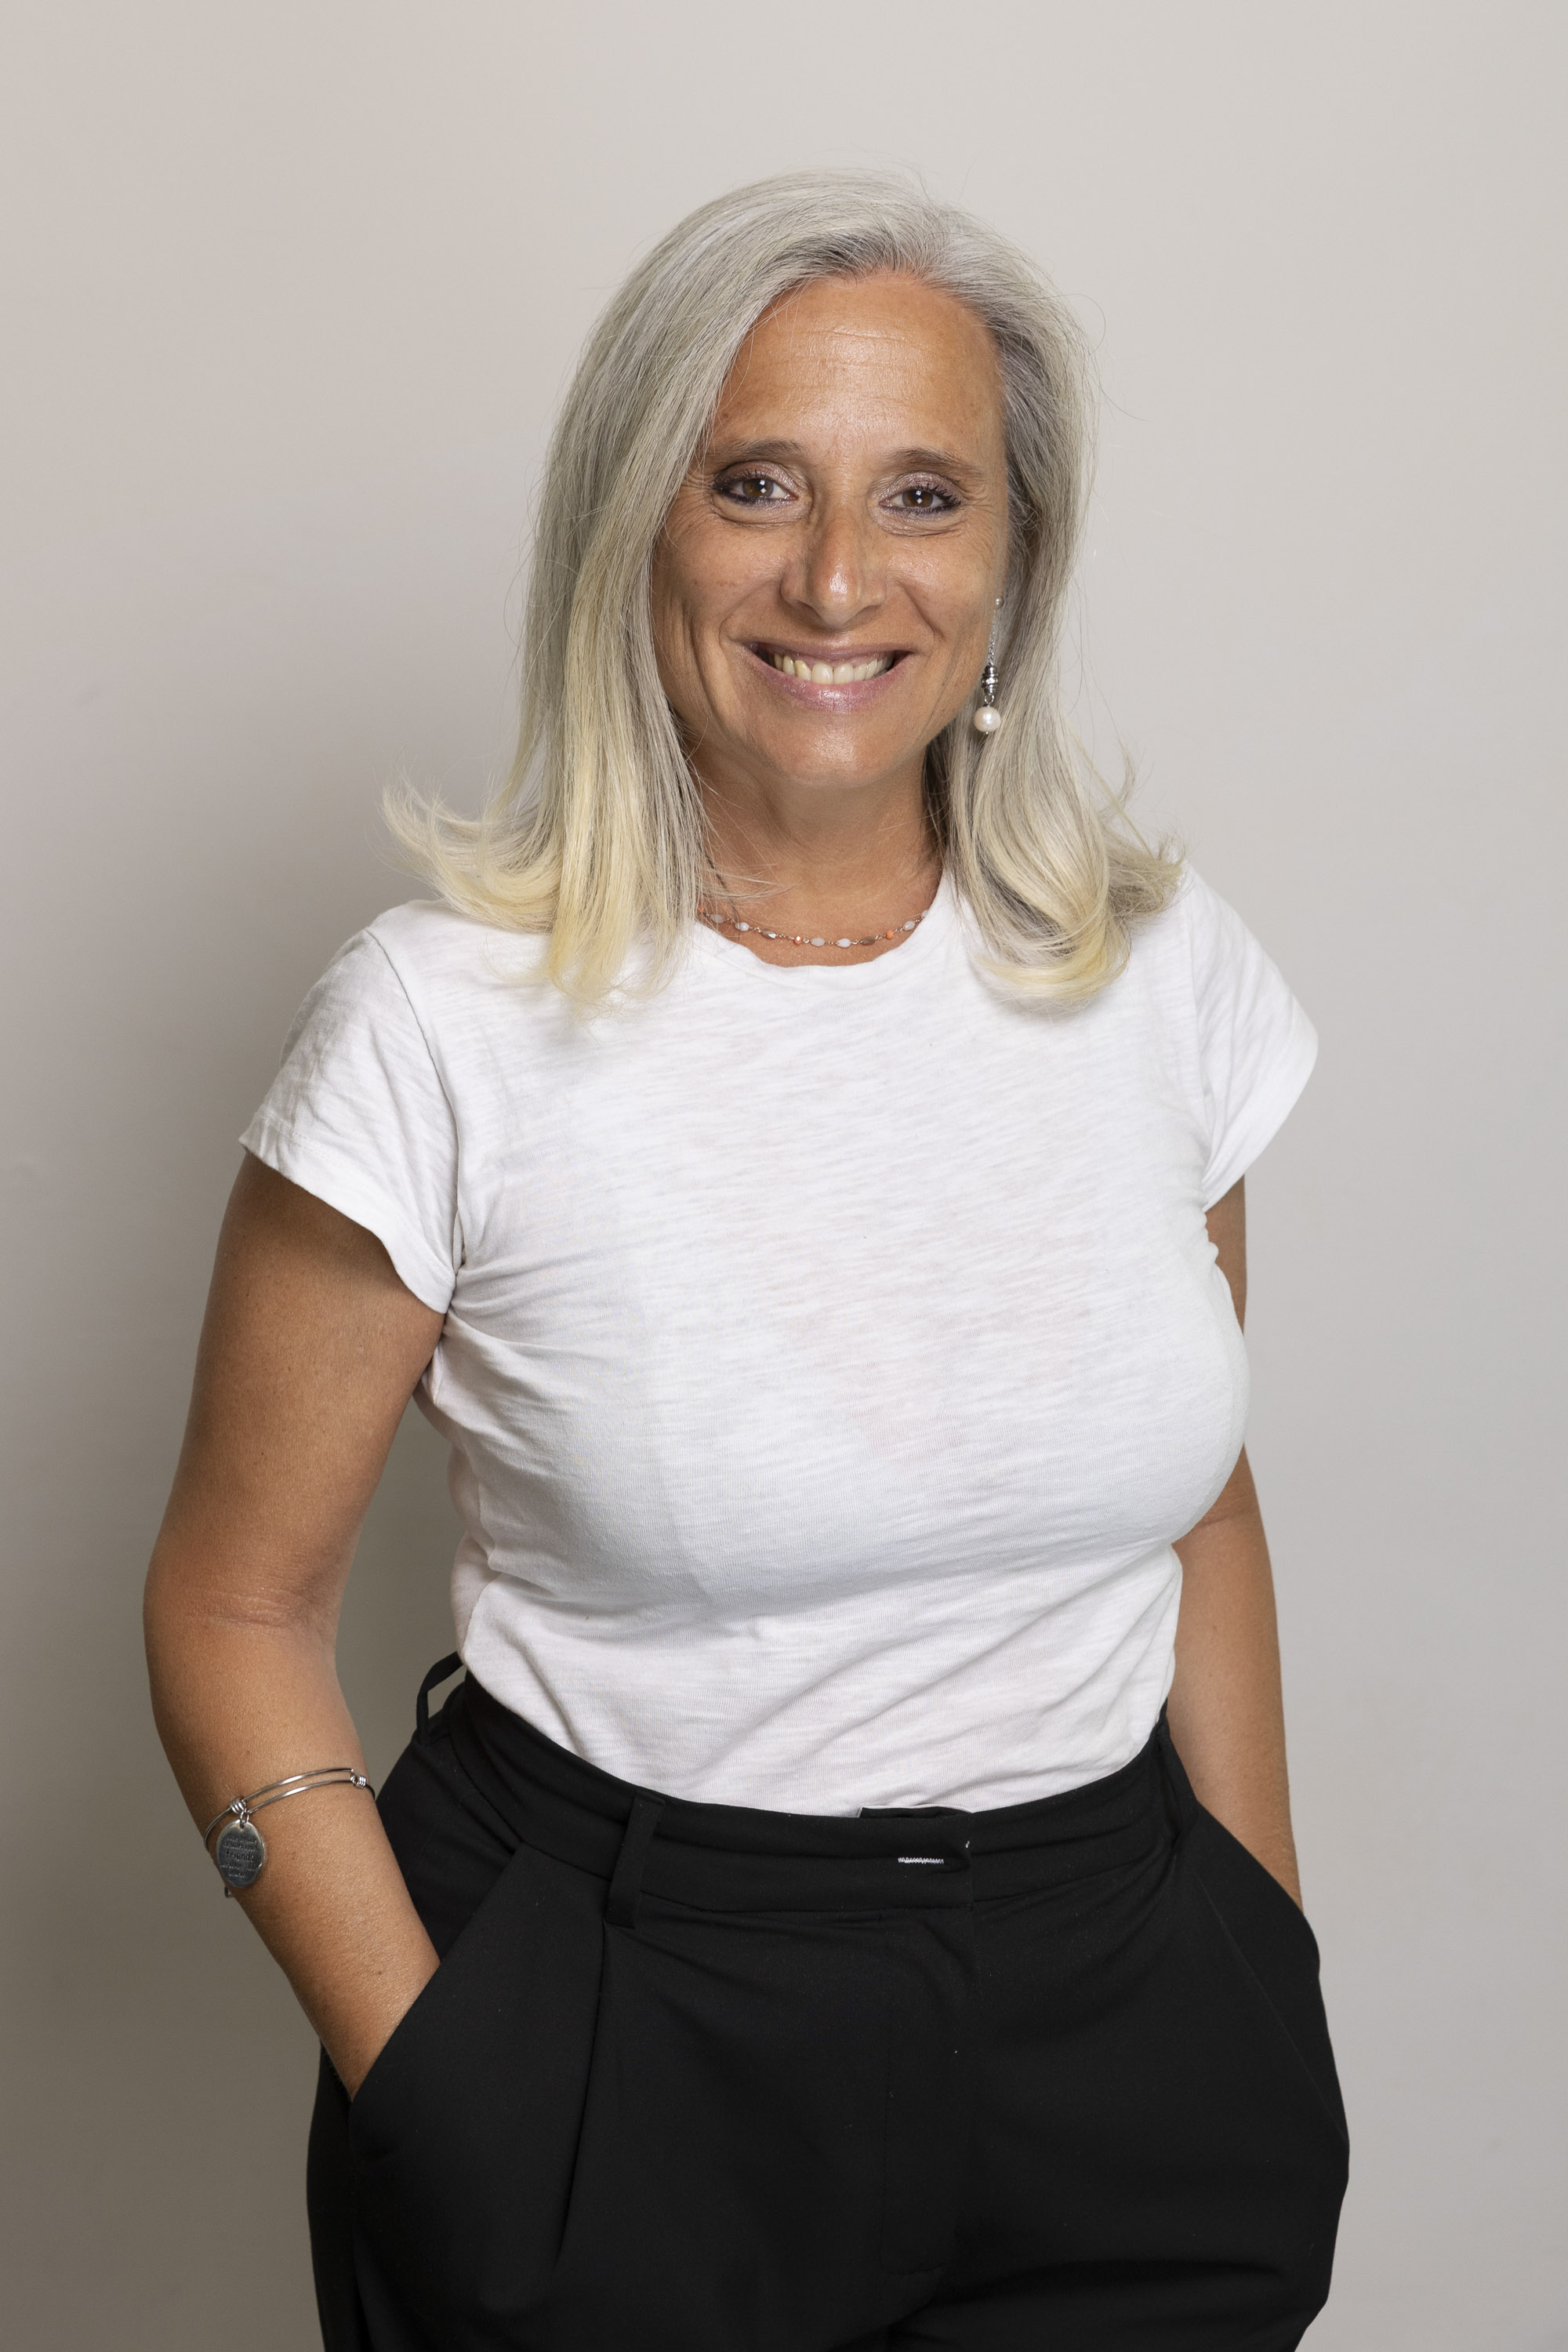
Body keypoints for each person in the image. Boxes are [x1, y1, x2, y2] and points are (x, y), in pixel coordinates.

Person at [144, 170, 1348, 2352]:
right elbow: (232, 1607)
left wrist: (1259, 1945)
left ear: (1013, 561)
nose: (837, 577)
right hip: (623, 2022)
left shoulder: (1158, 972)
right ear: (637, 526)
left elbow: (1202, 1501)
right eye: (757, 483)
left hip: (1130, 2026)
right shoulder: (440, 1025)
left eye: (923, 495)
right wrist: (438, 2080)